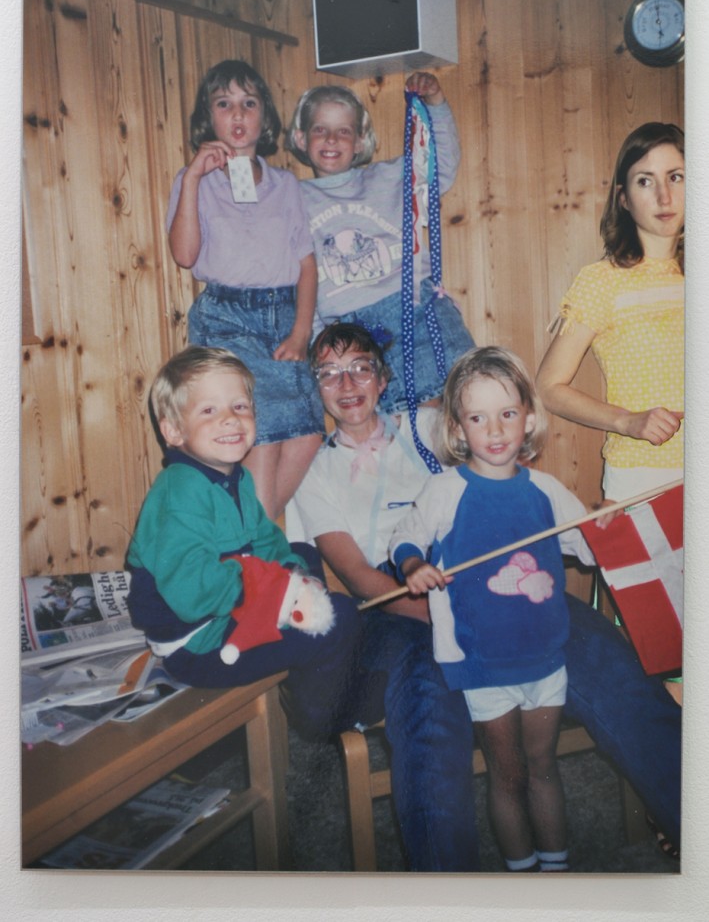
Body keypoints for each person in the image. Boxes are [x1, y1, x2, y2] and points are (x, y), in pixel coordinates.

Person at [289, 323, 682, 870]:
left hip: (501, 580)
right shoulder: (313, 470)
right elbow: (357, 575)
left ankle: (691, 813)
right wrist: (445, 613)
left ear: (382, 378)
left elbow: (493, 428)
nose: (347, 382)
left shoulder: (429, 425)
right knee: (429, 704)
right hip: (398, 598)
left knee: (604, 654)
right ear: (315, 391)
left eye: (360, 366)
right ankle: (447, 881)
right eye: (327, 373)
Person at [390, 347, 593, 872]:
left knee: (545, 767)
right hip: (481, 664)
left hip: (546, 657)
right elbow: (404, 539)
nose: (496, 429)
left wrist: (611, 531)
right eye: (479, 417)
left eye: (507, 413)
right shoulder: (444, 490)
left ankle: (557, 870)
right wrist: (414, 567)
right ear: (459, 429)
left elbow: (594, 549)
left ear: (528, 416)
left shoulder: (547, 490)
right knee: (509, 774)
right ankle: (520, 873)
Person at [125, 346, 361, 740]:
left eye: (239, 406)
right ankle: (318, 719)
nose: (230, 420)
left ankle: (323, 675)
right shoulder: (180, 492)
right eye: (209, 411)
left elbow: (266, 539)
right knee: (340, 619)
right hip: (198, 643)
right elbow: (192, 595)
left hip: (230, 607)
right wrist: (274, 587)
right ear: (173, 431)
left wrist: (294, 576)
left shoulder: (236, 478)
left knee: (302, 554)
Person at [167, 59, 323, 519]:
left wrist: (300, 334)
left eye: (248, 104)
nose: (237, 114)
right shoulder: (193, 180)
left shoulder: (285, 185)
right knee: (266, 427)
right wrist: (194, 178)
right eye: (224, 104)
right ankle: (256, 544)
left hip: (282, 317)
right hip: (227, 317)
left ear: (265, 120)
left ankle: (250, 537)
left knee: (309, 429)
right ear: (208, 118)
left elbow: (307, 267)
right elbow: (184, 256)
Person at [284, 72, 475, 414]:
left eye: (343, 130)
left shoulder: (388, 177)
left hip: (415, 306)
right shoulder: (291, 198)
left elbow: (441, 167)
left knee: (464, 401)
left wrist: (436, 103)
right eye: (320, 129)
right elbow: (298, 275)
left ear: (360, 141)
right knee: (401, 421)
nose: (331, 139)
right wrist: (318, 339)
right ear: (301, 138)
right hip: (352, 329)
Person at [536, 122, 684, 508]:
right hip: (644, 477)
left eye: (676, 177)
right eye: (645, 182)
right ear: (624, 198)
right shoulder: (602, 281)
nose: (665, 195)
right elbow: (548, 388)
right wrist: (628, 422)